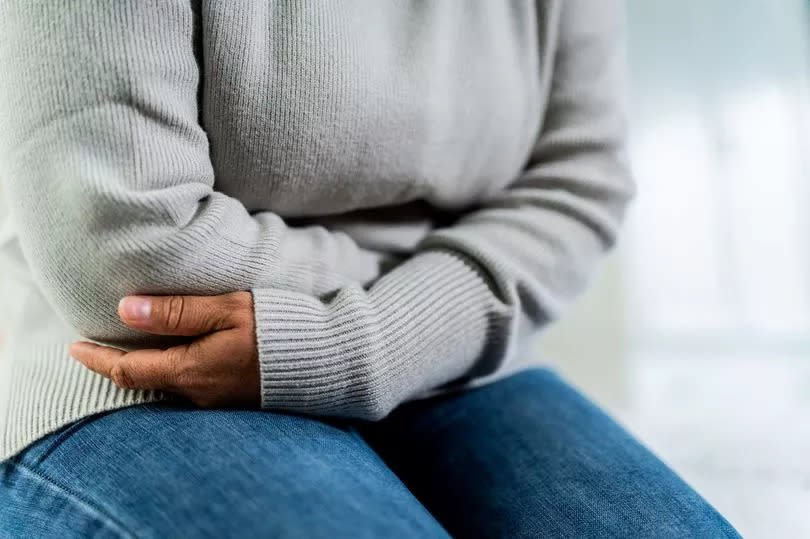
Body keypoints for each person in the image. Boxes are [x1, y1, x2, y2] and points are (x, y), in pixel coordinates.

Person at [0, 1, 739, 536]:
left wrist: (366, 342)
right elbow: (128, 243)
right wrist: (431, 284)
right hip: (146, 371)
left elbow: (581, 178)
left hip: (445, 358)